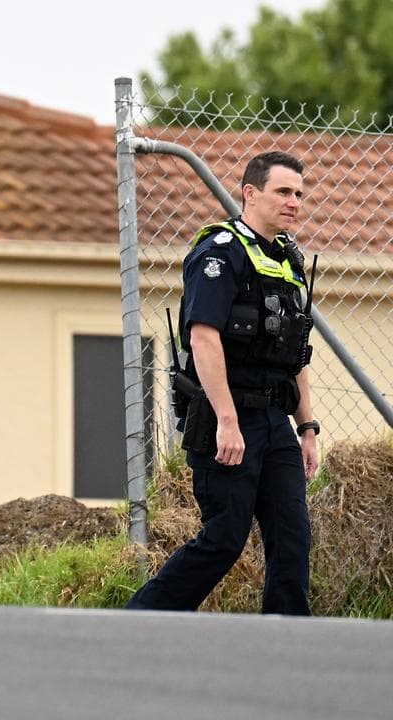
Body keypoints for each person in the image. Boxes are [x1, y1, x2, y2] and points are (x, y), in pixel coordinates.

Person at [128, 151, 319, 615]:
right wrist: (228, 422)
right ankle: (138, 621)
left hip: (275, 423)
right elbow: (204, 338)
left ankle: (289, 639)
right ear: (251, 194)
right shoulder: (219, 253)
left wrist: (307, 428)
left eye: (298, 193)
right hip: (224, 419)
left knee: (293, 539)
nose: (293, 202)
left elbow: (295, 352)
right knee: (224, 539)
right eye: (282, 192)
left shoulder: (286, 261)